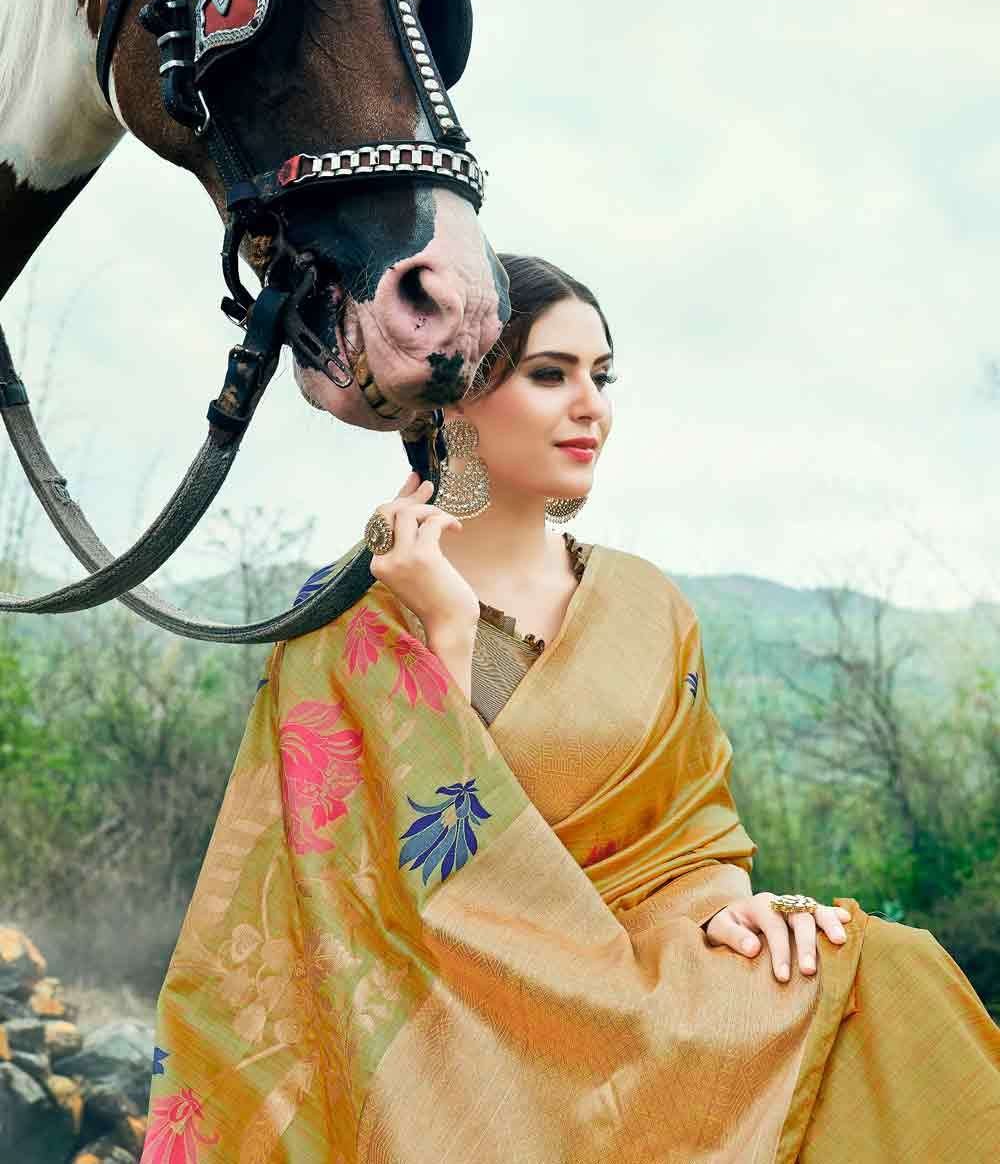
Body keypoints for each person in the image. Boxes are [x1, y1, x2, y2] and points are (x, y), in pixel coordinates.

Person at [142, 255, 1000, 1164]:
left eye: (602, 375)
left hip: (653, 984)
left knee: (886, 971)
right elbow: (367, 901)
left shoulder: (647, 603)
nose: (592, 405)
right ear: (455, 395)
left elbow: (693, 831)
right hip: (455, 1030)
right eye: (551, 375)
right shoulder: (348, 617)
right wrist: (450, 628)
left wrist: (725, 908)